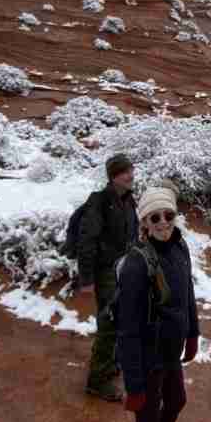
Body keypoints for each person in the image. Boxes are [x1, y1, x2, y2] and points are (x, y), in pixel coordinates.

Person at [117, 184, 199, 422]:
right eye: (155, 217)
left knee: (176, 400)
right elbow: (127, 331)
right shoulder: (136, 266)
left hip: (170, 351)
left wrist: (192, 333)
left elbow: (188, 293)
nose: (163, 222)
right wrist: (134, 385)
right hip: (147, 358)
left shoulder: (180, 246)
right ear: (144, 223)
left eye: (168, 215)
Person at [77, 153, 138, 401]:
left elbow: (133, 236)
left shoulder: (128, 200)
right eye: (125, 171)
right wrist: (86, 279)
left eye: (131, 170)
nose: (131, 175)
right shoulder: (99, 201)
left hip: (124, 271)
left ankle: (110, 364)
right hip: (105, 273)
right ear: (113, 176)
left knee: (119, 321)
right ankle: (97, 382)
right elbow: (87, 240)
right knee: (109, 324)